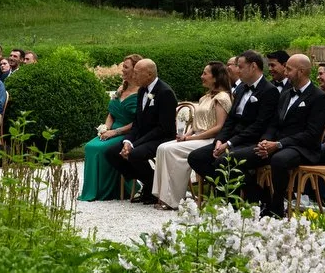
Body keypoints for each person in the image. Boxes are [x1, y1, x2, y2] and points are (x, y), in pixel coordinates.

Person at [248, 54, 325, 216]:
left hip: (304, 148)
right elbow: (273, 123)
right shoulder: (286, 94)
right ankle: (260, 200)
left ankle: (277, 207)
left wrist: (278, 144)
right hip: (280, 144)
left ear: (301, 71)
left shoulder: (318, 97)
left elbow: (311, 134)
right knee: (243, 156)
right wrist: (265, 141)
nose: (286, 73)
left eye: (289, 69)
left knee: (279, 159)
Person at [188, 51, 281, 190]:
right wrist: (220, 140)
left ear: (253, 66)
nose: (237, 70)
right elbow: (230, 119)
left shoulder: (269, 91)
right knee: (196, 157)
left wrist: (230, 143)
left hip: (251, 141)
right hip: (233, 138)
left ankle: (250, 195)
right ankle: (230, 192)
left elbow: (259, 125)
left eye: (240, 66)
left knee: (224, 160)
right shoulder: (241, 88)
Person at [150, 60, 234, 209]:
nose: (202, 76)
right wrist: (185, 136)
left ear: (215, 77)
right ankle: (161, 196)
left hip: (210, 140)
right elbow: (195, 124)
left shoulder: (222, 98)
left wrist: (190, 138)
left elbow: (219, 127)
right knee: (162, 148)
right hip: (197, 137)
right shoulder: (205, 97)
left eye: (205, 73)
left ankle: (173, 200)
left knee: (171, 150)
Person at [111, 59, 178, 200]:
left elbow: (164, 128)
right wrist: (128, 141)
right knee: (112, 153)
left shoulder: (165, 92)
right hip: (143, 135)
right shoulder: (142, 90)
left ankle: (152, 188)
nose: (134, 76)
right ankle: (150, 183)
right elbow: (137, 122)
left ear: (149, 74)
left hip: (161, 137)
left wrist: (135, 144)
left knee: (135, 154)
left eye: (136, 73)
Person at [78, 60, 142, 200]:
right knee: (90, 146)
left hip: (128, 132)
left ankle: (110, 190)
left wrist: (115, 132)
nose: (122, 70)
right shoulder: (121, 89)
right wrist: (106, 127)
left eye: (126, 67)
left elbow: (138, 121)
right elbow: (111, 114)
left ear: (135, 70)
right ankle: (93, 190)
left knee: (102, 149)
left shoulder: (141, 93)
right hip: (111, 130)